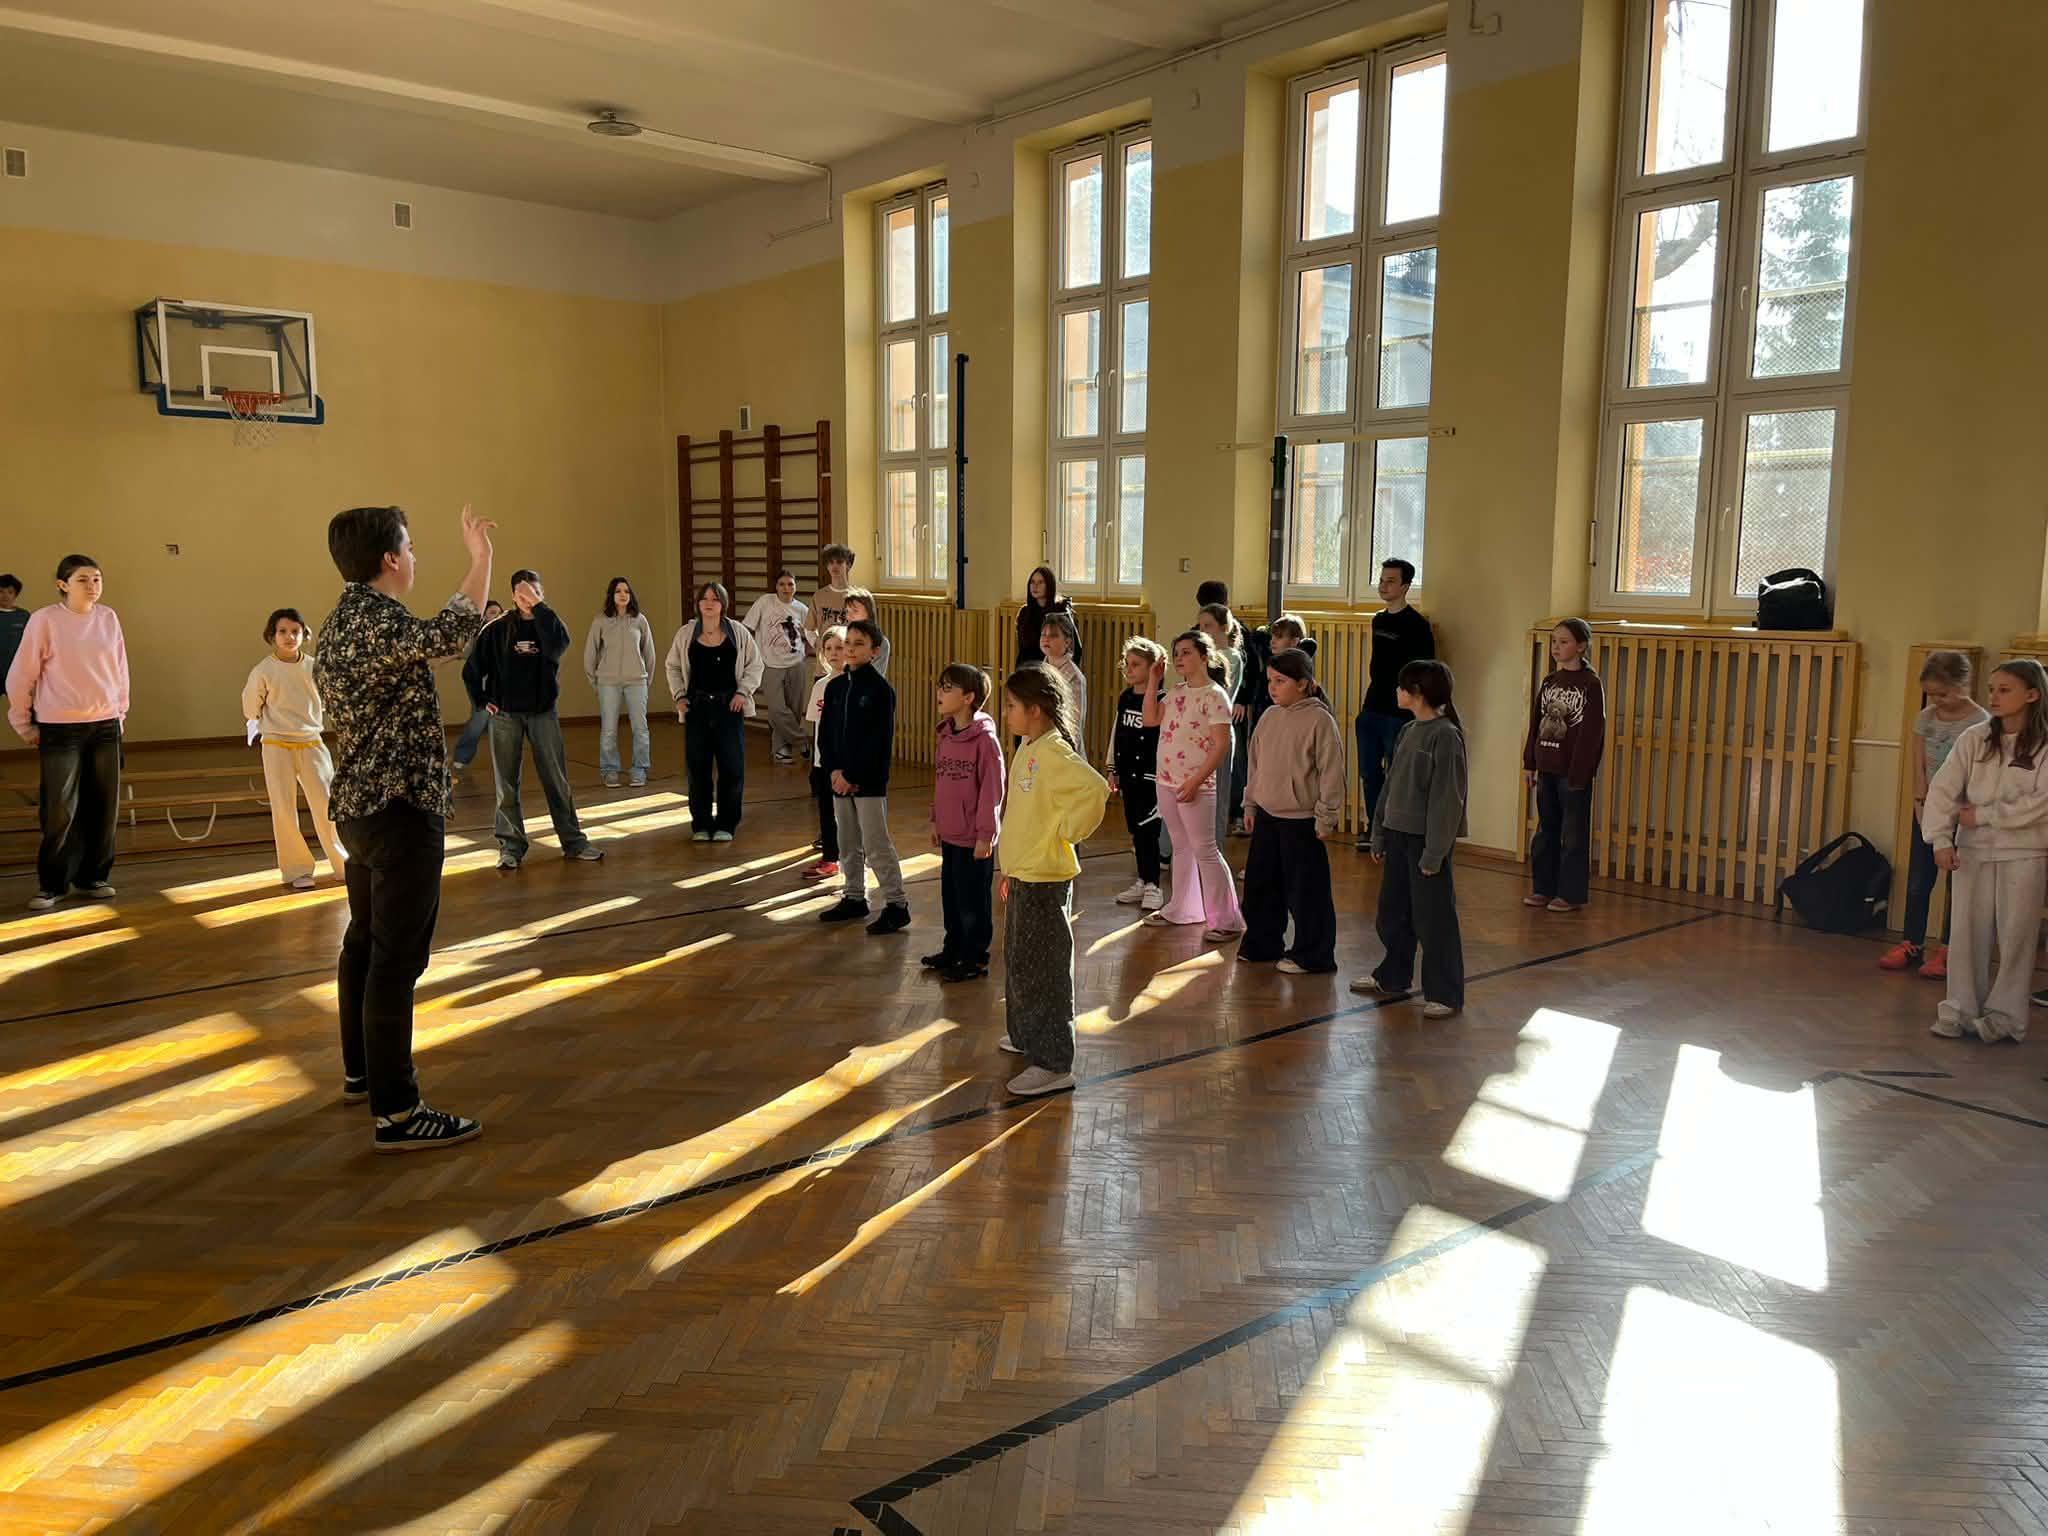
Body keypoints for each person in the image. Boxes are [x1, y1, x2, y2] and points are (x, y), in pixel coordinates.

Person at [314, 502, 493, 1152]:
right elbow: (450, 632)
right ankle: (398, 1111)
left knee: (364, 943)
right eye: (410, 548)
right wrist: (481, 559)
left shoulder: (343, 623)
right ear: (390, 559)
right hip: (399, 811)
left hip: (360, 810)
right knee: (395, 960)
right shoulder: (378, 621)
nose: (415, 557)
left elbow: (428, 648)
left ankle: (362, 1072)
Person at [1919, 658, 2048, 1044]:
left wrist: (1986, 815)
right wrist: (1941, 839)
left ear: (2032, 694)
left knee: (2016, 938)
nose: (1994, 697)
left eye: (2005, 690)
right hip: (1972, 851)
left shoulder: (2044, 743)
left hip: (2024, 851)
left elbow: (2041, 803)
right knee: (1965, 933)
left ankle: (2005, 1018)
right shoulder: (1974, 738)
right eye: (1992, 689)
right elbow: (1943, 789)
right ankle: (1959, 1009)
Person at [996, 663, 1109, 1097]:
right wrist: (1011, 867)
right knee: (1020, 964)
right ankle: (1027, 1035)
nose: (1006, 713)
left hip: (1045, 879)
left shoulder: (1055, 753)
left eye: (1012, 706)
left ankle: (1054, 1063)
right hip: (1024, 874)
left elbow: (1094, 789)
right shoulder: (1029, 746)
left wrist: (1066, 831)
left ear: (1036, 710)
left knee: (1045, 972)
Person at [6, 555, 128, 912]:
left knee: (104, 805)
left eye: (97, 579)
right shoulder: (45, 620)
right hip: (60, 727)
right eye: (83, 580)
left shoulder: (108, 618)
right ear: (63, 585)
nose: (92, 586)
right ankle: (53, 883)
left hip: (105, 724)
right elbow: (22, 674)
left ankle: (93, 876)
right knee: (60, 807)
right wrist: (22, 722)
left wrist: (119, 713)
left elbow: (119, 669)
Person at [464, 567, 602, 869]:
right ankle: (511, 847)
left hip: (543, 713)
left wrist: (539, 607)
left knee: (556, 779)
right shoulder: (497, 629)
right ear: (513, 596)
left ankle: (573, 842)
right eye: (523, 593)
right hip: (505, 715)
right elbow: (472, 669)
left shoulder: (549, 623)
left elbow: (559, 646)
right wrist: (482, 700)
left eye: (535, 592)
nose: (529, 598)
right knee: (506, 784)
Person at [1353, 659, 1467, 1017]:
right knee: (1392, 914)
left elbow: (1447, 801)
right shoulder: (1407, 730)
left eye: (1402, 686)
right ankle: (1393, 976)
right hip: (1397, 836)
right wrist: (1379, 833)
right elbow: (1390, 787)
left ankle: (1445, 993)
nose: (1397, 692)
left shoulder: (1445, 736)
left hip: (1424, 843)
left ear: (1417, 692)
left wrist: (1434, 853)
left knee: (1433, 920)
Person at [1239, 649, 1345, 974]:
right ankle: (1263, 944)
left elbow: (1331, 772)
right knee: (1260, 887)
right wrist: (1250, 803)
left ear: (1302, 684)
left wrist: (1326, 816)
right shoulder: (1269, 717)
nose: (1272, 688)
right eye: (1270, 681)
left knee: (1306, 892)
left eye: (1280, 681)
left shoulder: (1320, 720)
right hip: (1268, 816)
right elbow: (1255, 765)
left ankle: (1314, 955)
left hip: (1302, 822)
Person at [1882, 651, 1986, 979]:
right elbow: (1919, 766)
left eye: (1944, 693)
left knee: (1957, 885)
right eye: (1931, 694)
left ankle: (1949, 949)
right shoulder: (1925, 718)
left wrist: (1967, 810)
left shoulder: (1981, 722)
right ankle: (1912, 943)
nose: (1937, 701)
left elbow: (1982, 772)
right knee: (1918, 881)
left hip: (1963, 813)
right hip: (1929, 809)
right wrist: (1920, 803)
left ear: (1964, 684)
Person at [1143, 629, 1244, 942]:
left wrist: (1196, 780)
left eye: (1186, 652)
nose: (1179, 658)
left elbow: (1220, 744)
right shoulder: (1176, 691)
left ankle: (1226, 920)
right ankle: (1183, 909)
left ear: (1205, 656)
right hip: (1166, 780)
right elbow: (1150, 718)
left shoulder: (1215, 695)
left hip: (1195, 785)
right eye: (1176, 653)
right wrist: (1153, 681)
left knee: (1205, 849)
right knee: (1181, 846)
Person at [242, 607, 348, 891]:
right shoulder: (263, 670)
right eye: (282, 632)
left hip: (312, 742)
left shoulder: (315, 667)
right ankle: (296, 870)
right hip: (276, 745)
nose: (289, 637)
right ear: (272, 635)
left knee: (328, 804)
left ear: (304, 634)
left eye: (295, 631)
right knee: (283, 808)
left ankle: (343, 864)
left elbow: (329, 699)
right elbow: (250, 707)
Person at [817, 619, 910, 934]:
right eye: (848, 643)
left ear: (875, 651)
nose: (850, 649)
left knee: (875, 842)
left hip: (868, 781)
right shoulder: (834, 687)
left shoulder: (880, 690)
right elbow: (825, 735)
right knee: (847, 841)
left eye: (859, 643)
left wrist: (853, 774)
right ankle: (854, 896)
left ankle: (896, 904)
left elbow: (878, 741)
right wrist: (833, 770)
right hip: (838, 780)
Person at [664, 580, 764, 844]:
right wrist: (679, 696)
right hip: (696, 707)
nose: (709, 603)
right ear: (698, 604)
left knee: (731, 767)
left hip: (729, 707)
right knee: (698, 769)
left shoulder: (738, 632)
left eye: (715, 599)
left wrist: (743, 692)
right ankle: (701, 824)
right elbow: (672, 666)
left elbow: (755, 665)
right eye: (705, 599)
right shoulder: (686, 633)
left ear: (723, 604)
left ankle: (726, 824)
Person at [1521, 618, 1607, 913]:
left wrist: (1580, 773)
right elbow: (1536, 723)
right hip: (1547, 767)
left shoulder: (1590, 684)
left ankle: (1570, 894)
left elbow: (1592, 733)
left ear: (1581, 646)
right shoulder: (1549, 681)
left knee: (1573, 835)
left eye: (1564, 642)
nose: (1556, 647)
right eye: (1554, 641)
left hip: (1572, 774)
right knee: (1546, 831)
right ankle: (1543, 888)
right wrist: (1530, 762)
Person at [927, 663, 1004, 981]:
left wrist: (986, 835)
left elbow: (992, 791)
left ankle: (974, 957)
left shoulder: (985, 741)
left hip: (974, 838)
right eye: (940, 686)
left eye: (948, 688)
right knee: (952, 895)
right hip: (950, 833)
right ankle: (953, 948)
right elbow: (941, 783)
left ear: (969, 697)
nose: (939, 692)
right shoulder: (946, 735)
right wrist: (936, 820)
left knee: (973, 900)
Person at [1356, 559, 1435, 848]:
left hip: (1399, 712)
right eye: (1381, 580)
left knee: (1398, 774)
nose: (1383, 585)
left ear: (1405, 586)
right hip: (1372, 705)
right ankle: (1374, 828)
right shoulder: (1378, 620)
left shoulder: (1418, 626)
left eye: (1390, 581)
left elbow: (1426, 670)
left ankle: (1395, 831)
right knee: (1369, 771)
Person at [1109, 637, 1166, 911]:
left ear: (1153, 668)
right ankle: (1143, 880)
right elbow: (1118, 734)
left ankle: (1154, 884)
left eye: (1136, 664)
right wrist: (1113, 769)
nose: (1129, 669)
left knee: (1148, 832)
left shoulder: (1163, 700)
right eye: (1127, 664)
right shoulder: (1125, 698)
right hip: (1129, 776)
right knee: (1135, 831)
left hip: (1151, 779)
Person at [1197, 582, 1260, 832]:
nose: (1203, 630)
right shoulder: (1199, 642)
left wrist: (1243, 699)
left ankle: (1236, 813)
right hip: (1202, 723)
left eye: (1208, 626)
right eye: (1201, 626)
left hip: (1226, 716)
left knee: (1232, 769)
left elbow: (1251, 670)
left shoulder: (1233, 649)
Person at [583, 576, 657, 788]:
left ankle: (639, 769)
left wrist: (645, 680)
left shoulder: (640, 620)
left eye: (626, 591)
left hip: (637, 682)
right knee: (608, 729)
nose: (623, 594)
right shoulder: (600, 621)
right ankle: (610, 770)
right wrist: (596, 682)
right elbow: (590, 653)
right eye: (618, 591)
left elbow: (649, 654)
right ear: (611, 595)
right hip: (608, 683)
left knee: (640, 728)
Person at [744, 569, 810, 764]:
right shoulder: (765, 602)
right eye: (782, 584)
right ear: (776, 586)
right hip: (770, 664)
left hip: (796, 663)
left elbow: (810, 636)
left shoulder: (802, 609)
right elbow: (747, 628)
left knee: (794, 708)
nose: (786, 588)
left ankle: (782, 750)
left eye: (790, 584)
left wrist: (808, 654)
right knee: (777, 709)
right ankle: (803, 741)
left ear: (795, 587)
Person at [803, 625, 847, 880]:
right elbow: (816, 724)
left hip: (846, 762)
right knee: (826, 812)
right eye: (828, 648)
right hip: (823, 761)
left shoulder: (853, 684)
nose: (833, 653)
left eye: (839, 647)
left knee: (849, 814)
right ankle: (830, 857)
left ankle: (854, 857)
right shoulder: (820, 685)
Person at [449, 600, 503, 783]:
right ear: (484, 616)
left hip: (500, 685)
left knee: (496, 721)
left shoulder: (506, 632)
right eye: (492, 613)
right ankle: (461, 757)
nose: (496, 616)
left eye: (499, 613)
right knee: (479, 719)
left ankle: (503, 762)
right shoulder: (478, 634)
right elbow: (464, 654)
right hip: (480, 683)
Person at [1015, 565, 1080, 667]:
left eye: (1040, 582)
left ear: (1049, 585)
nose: (1035, 586)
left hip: (1054, 667)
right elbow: (1022, 649)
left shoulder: (1061, 611)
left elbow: (1075, 648)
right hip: (1028, 666)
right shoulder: (1025, 612)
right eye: (1032, 582)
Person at [1040, 610, 1087, 739]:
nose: (1046, 639)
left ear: (1067, 642)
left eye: (1053, 635)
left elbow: (1075, 724)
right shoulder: (1038, 671)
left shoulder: (1074, 677)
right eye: (1043, 634)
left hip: (1061, 743)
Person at [805, 544, 857, 650]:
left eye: (839, 562)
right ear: (827, 566)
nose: (834, 566)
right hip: (826, 656)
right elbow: (809, 629)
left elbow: (867, 632)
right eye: (831, 562)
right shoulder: (818, 596)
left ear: (848, 565)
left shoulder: (858, 597)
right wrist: (818, 645)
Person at [842, 588, 892, 676]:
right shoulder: (841, 637)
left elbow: (871, 676)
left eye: (855, 611)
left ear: (869, 613)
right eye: (847, 611)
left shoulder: (881, 643)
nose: (849, 616)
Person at [0, 574, 26, 700]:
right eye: (1, 592)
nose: (5, 596)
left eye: (10, 592)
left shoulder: (24, 616)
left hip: (15, 673)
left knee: (22, 706)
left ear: (16, 594)